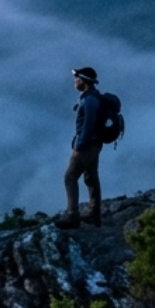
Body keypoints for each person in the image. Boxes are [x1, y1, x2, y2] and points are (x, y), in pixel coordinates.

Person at [59, 67, 103, 228]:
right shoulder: (91, 97)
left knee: (70, 177)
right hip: (95, 143)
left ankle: (72, 215)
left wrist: (79, 146)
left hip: (87, 145)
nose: (74, 81)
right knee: (91, 177)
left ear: (83, 80)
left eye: (76, 78)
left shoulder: (89, 100)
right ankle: (94, 214)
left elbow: (88, 125)